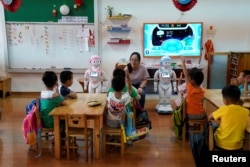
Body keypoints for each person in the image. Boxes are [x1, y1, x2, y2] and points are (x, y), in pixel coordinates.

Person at [208, 85, 249, 150]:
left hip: (220, 144)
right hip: (238, 147)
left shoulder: (224, 109)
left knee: (212, 126)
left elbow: (209, 117)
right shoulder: (246, 112)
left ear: (225, 100)